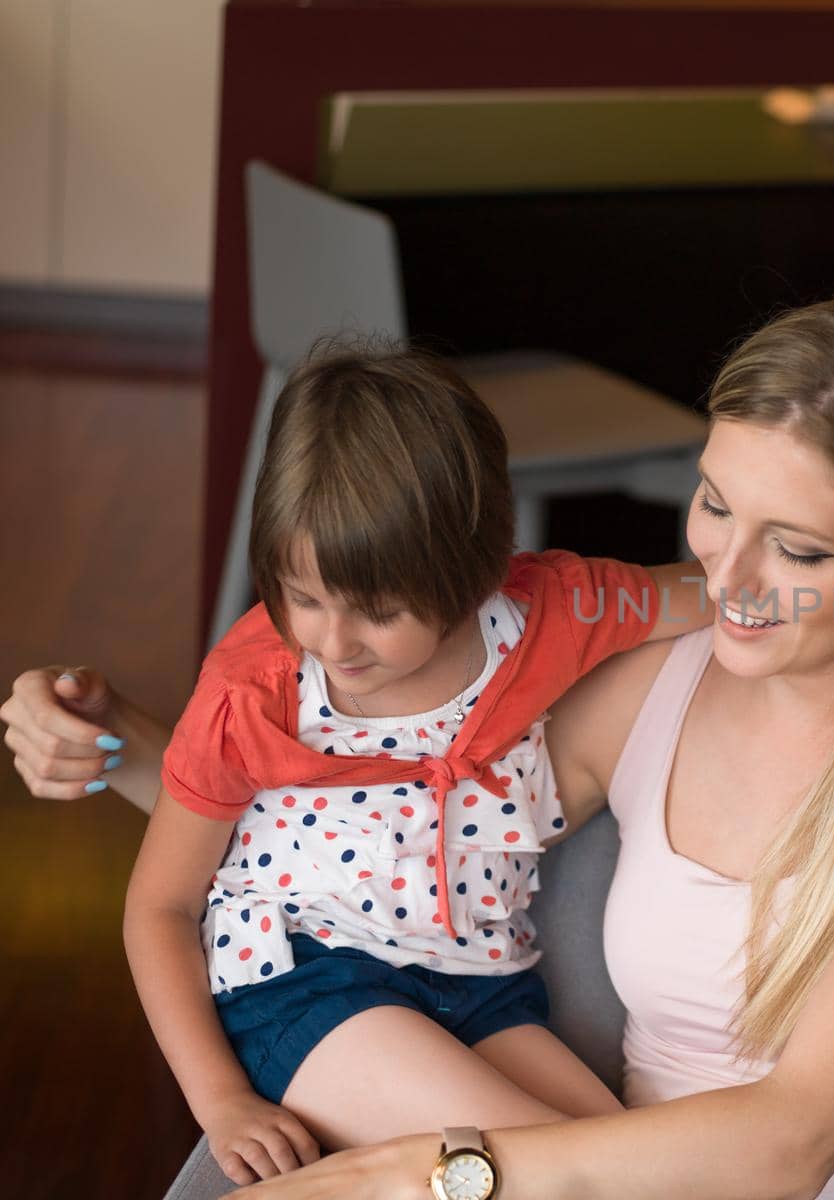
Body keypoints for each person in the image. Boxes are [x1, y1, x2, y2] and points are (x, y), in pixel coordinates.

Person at [3, 292, 834, 1199]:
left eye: (795, 547)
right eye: (712, 503)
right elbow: (364, 821)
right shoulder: (656, 684)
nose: (726, 581)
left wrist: (422, 1173)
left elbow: (791, 1143)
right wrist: (113, 745)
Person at [118, 344, 705, 1186]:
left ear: (474, 577)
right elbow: (161, 905)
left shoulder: (551, 611)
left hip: (481, 986)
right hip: (306, 981)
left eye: (379, 612)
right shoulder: (253, 688)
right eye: (302, 595)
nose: (333, 640)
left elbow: (725, 591)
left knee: (633, 1159)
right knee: (580, 1180)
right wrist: (221, 1101)